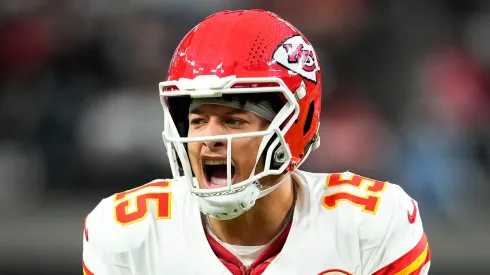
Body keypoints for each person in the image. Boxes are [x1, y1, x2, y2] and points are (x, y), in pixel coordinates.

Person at [82, 9, 430, 275]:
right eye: (198, 120)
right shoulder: (127, 234)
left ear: (295, 126)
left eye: (233, 121)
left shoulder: (371, 224)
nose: (210, 139)